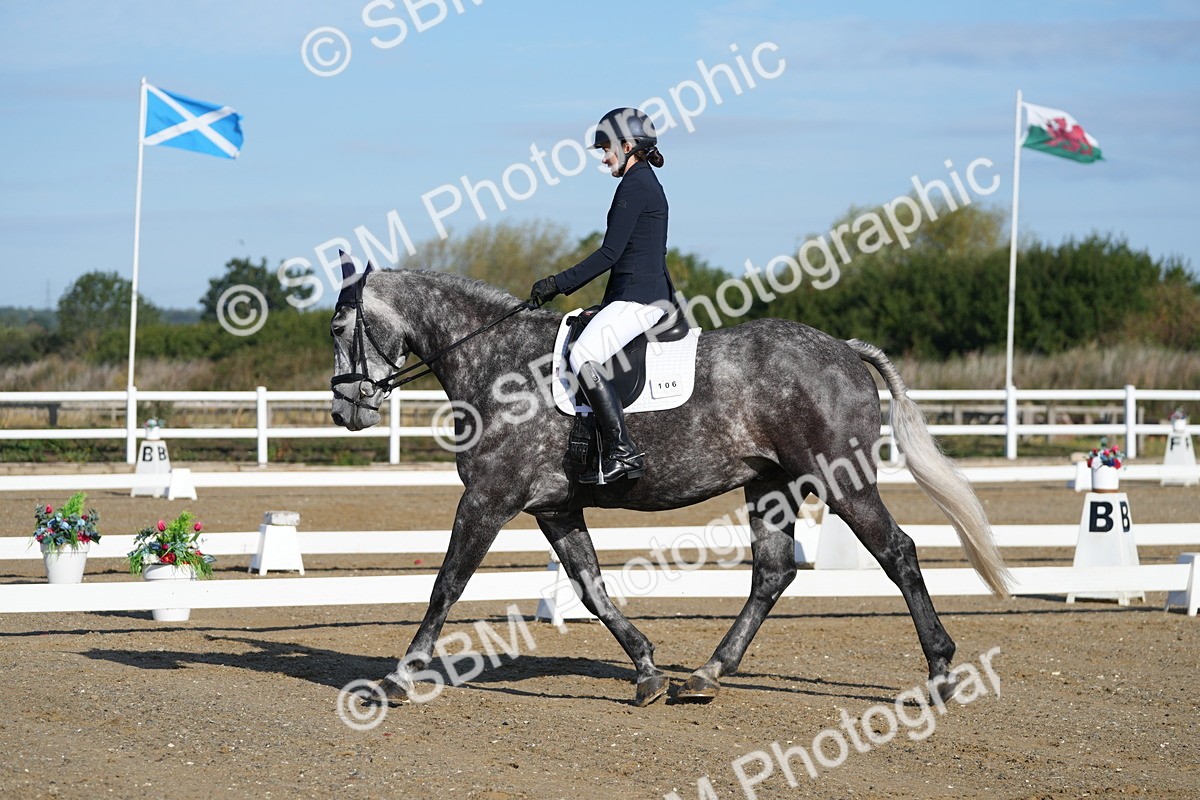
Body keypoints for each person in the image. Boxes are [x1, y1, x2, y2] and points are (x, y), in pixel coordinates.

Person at [529, 107, 675, 484]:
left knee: (583, 355)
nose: (604, 156)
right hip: (634, 294)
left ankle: (622, 451)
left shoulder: (636, 186)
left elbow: (609, 254)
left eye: (607, 148)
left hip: (641, 298)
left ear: (628, 146)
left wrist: (556, 284)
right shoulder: (640, 182)